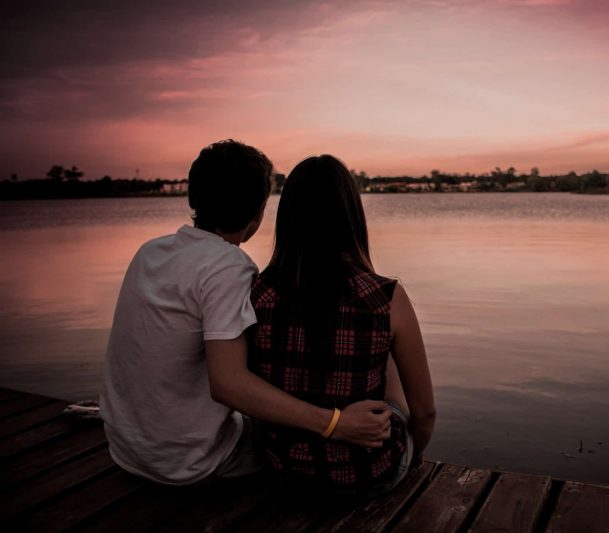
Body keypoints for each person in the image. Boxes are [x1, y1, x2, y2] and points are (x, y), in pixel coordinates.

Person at [100, 140, 392, 485]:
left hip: (126, 448)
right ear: (257, 215)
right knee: (289, 441)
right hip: (187, 462)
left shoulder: (149, 253)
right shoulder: (228, 267)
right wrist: (334, 423)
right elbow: (228, 385)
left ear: (193, 198)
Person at [249, 154, 436, 494]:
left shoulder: (256, 293)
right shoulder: (386, 297)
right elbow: (425, 413)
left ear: (287, 217)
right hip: (366, 474)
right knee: (390, 351)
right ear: (351, 216)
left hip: (282, 470)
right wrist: (412, 455)